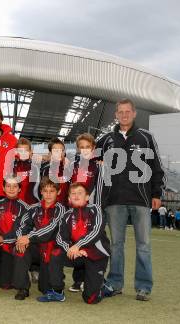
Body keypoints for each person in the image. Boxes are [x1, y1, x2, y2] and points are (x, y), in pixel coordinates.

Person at [97, 98, 165, 301]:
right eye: (120, 112)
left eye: (128, 111)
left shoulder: (146, 137)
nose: (124, 115)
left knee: (143, 244)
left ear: (134, 113)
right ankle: (115, 283)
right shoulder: (106, 139)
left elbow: (157, 167)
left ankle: (143, 286)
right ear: (115, 115)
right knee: (116, 244)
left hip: (141, 199)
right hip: (114, 200)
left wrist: (156, 193)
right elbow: (87, 156)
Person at [35, 182, 109, 304]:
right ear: (69, 198)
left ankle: (102, 286)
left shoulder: (96, 209)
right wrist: (70, 248)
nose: (76, 196)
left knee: (90, 299)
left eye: (80, 193)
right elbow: (60, 238)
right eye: (73, 194)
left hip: (96, 254)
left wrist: (78, 245)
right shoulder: (67, 215)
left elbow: (96, 231)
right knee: (56, 253)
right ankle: (57, 292)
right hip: (75, 253)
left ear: (87, 197)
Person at [13, 176, 66, 300]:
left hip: (51, 250)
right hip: (36, 248)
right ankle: (23, 288)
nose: (48, 195)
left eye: (52, 191)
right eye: (45, 191)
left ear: (58, 192)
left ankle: (54, 281)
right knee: (21, 249)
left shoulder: (61, 209)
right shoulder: (33, 208)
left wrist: (29, 237)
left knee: (45, 288)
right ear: (41, 191)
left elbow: (50, 229)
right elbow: (22, 225)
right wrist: (21, 238)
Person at [68, 133, 105, 293]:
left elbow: (100, 189)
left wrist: (97, 207)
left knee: (90, 243)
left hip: (91, 210)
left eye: (87, 147)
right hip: (74, 210)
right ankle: (78, 279)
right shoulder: (73, 165)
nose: (84, 150)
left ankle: (91, 278)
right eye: (81, 147)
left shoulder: (97, 165)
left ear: (93, 148)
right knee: (75, 241)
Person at [40, 137, 70, 206]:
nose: (59, 153)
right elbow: (42, 191)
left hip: (66, 208)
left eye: (61, 150)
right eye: (56, 151)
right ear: (50, 153)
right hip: (50, 208)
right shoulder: (45, 170)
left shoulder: (69, 168)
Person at [13, 137, 40, 205]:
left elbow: (37, 189)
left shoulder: (34, 168)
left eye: (26, 151)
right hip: (14, 203)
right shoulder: (11, 166)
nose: (23, 153)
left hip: (30, 203)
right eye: (20, 151)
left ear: (30, 152)